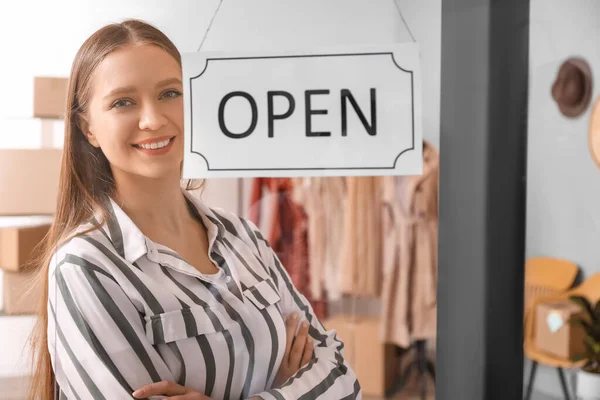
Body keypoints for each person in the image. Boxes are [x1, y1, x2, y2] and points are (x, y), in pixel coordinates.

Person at [27, 19, 361, 400]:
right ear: (88, 128)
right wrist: (285, 386)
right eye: (123, 102)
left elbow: (342, 378)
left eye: (170, 93)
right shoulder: (86, 267)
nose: (153, 119)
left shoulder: (243, 236)